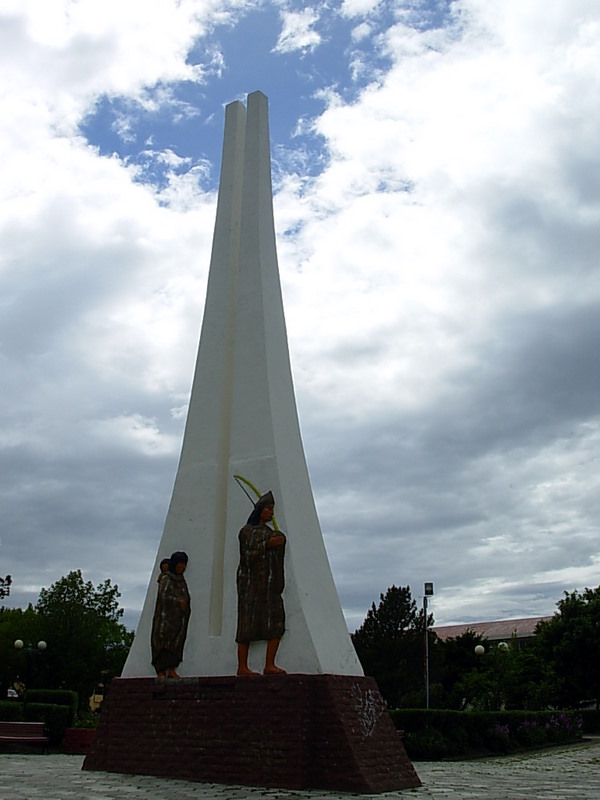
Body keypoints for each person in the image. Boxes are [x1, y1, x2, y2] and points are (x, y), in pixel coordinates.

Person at [236, 491, 286, 676]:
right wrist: (267, 544)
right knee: (246, 626)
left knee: (276, 623)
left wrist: (280, 540)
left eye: (273, 509)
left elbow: (276, 553)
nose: (271, 513)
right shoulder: (246, 532)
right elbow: (247, 556)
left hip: (269, 587)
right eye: (268, 509)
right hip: (250, 587)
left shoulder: (269, 532)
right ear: (260, 510)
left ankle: (269, 664)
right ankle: (242, 667)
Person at [151, 551, 191, 678]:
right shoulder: (167, 578)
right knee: (163, 643)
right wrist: (177, 601)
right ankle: (161, 670)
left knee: (175, 644)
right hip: (165, 619)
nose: (182, 567)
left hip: (177, 620)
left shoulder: (181, 580)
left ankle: (172, 669)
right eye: (180, 564)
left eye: (184, 564)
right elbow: (163, 596)